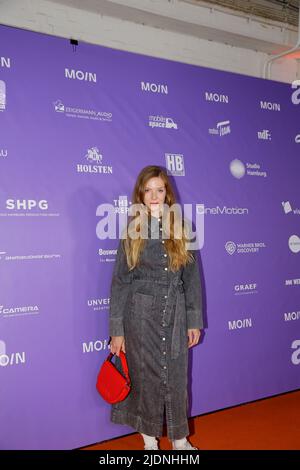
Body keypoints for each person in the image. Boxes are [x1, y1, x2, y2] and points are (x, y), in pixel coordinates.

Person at [108, 165, 204, 450]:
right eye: (148, 190)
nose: (153, 195)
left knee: (176, 378)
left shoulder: (184, 228)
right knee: (144, 379)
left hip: (174, 313)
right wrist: (117, 330)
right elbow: (120, 282)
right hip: (138, 317)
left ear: (167, 194)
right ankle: (149, 441)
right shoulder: (132, 230)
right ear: (140, 194)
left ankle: (179, 440)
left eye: (159, 190)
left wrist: (193, 320)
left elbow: (192, 278)